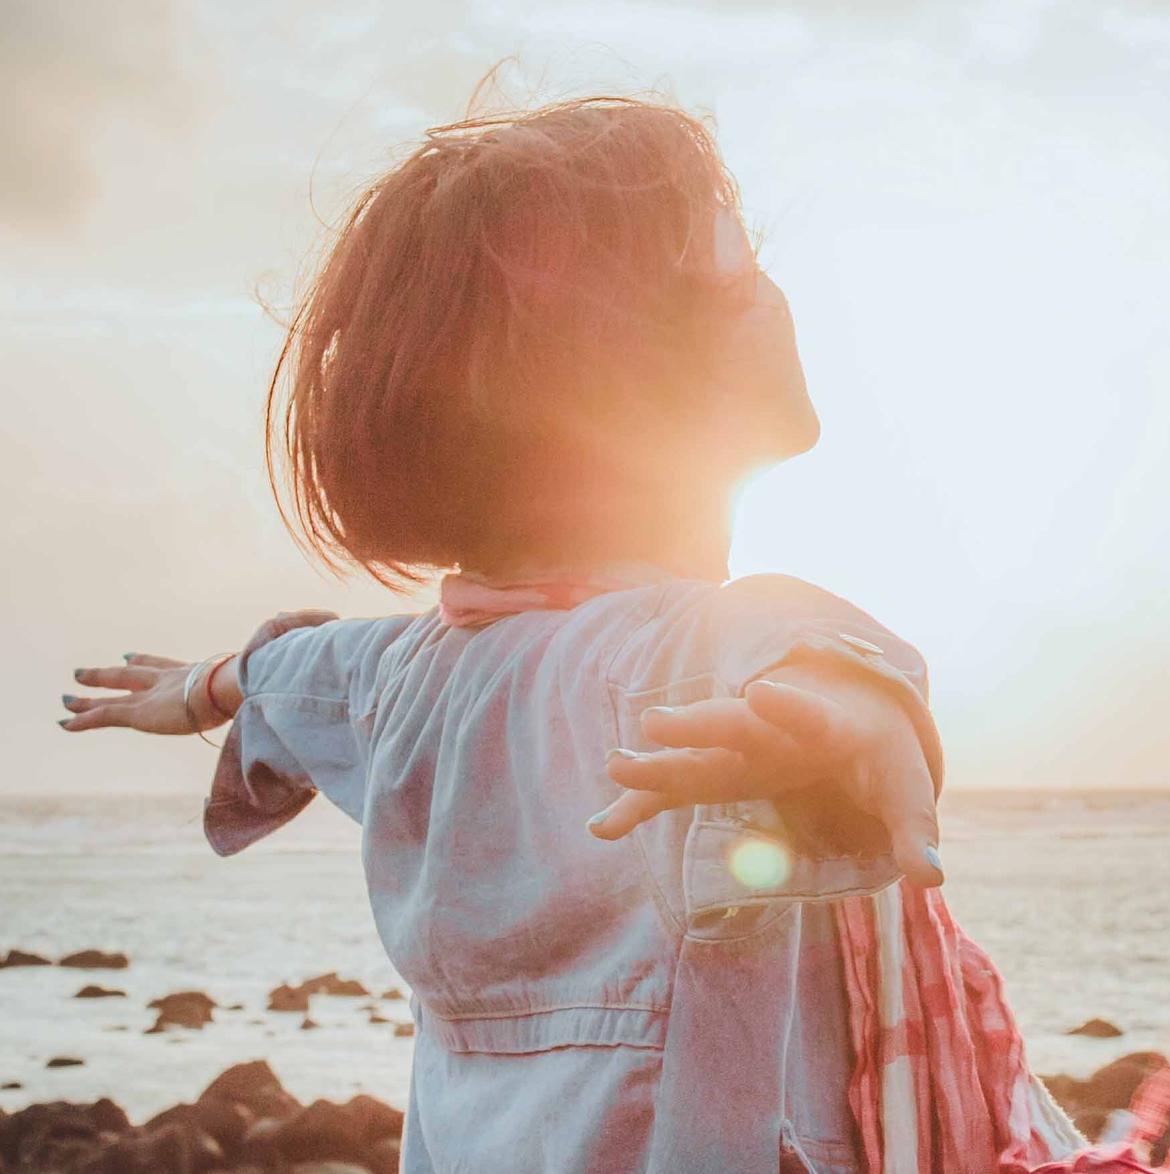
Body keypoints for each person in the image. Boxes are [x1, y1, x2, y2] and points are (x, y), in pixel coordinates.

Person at [58, 96, 955, 1173]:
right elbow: (789, 638)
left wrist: (208, 685)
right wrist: (850, 712)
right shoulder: (680, 652)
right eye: (731, 255)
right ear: (618, 368)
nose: (769, 285)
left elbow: (291, 675)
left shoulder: (402, 674)